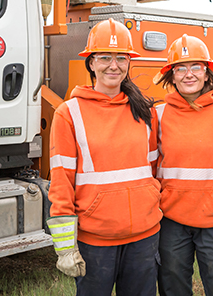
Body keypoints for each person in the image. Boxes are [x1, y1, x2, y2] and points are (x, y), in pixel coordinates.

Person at [46, 18, 161, 296]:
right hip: (95, 241)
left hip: (144, 238)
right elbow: (61, 183)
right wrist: (65, 247)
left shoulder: (145, 111)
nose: (114, 65)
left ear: (129, 63)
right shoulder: (69, 113)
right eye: (105, 58)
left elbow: (154, 171)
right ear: (91, 63)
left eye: (121, 58)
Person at [153, 34, 213, 296]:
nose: (188, 74)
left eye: (196, 67)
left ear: (207, 74)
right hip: (171, 221)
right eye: (180, 68)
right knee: (173, 289)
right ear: (171, 75)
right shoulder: (159, 115)